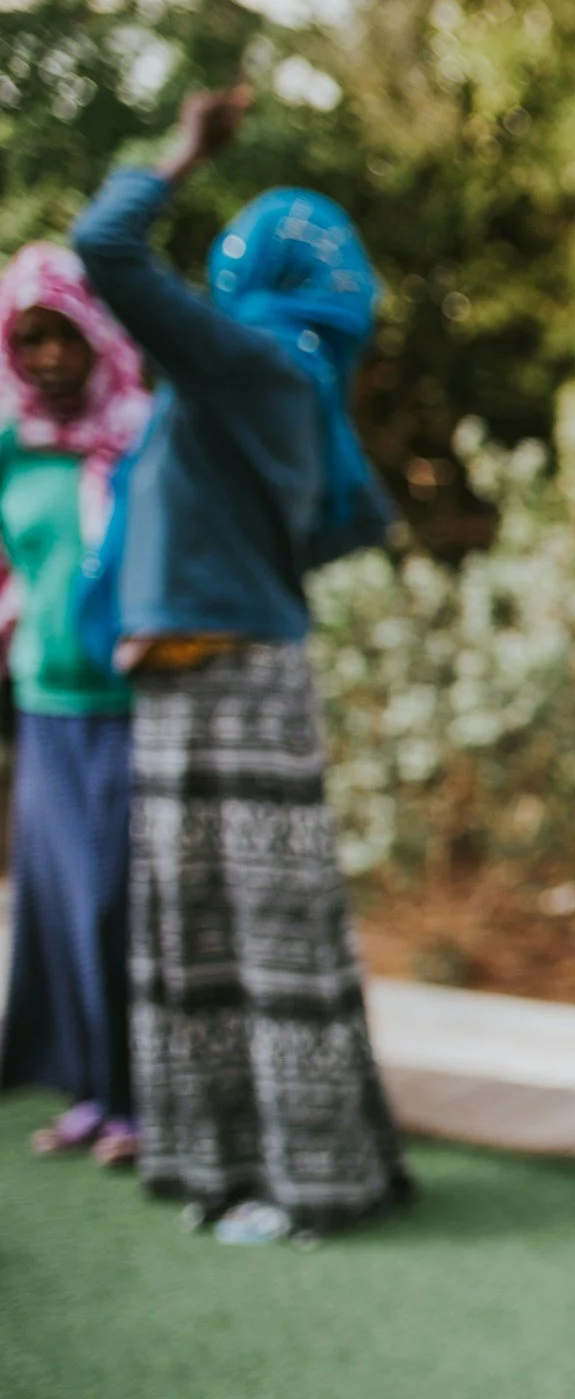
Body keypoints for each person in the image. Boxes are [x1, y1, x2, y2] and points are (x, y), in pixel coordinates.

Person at [71, 86, 410, 1240]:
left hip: (233, 681)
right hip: (193, 676)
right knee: (206, 937)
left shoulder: (253, 363)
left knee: (264, 943)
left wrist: (180, 153)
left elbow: (104, 249)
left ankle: (311, 1183)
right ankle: (232, 1165)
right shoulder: (273, 379)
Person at [0, 242, 154, 1165]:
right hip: (42, 703)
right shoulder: (11, 447)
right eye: (32, 339)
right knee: (55, 907)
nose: (51, 356)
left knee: (116, 904)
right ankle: (91, 1094)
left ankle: (141, 1097)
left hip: (130, 705)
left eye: (64, 336)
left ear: (98, 335)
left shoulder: (141, 433)